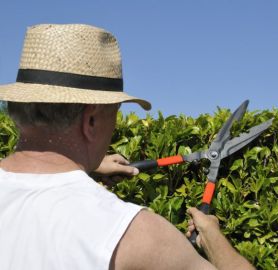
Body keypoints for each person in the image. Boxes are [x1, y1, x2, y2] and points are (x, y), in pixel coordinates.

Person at [0, 24, 254, 270]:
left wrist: (89, 165)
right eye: (116, 112)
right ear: (91, 121)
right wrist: (213, 239)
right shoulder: (138, 236)